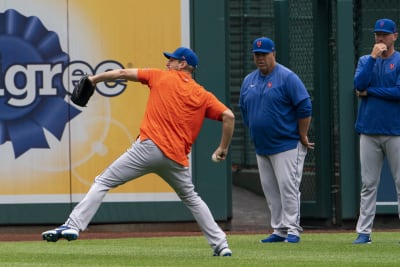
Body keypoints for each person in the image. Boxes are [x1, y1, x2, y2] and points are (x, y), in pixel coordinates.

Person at [41, 47, 235, 256]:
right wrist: (222, 148)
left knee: (103, 181)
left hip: (148, 148)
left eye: (172, 60)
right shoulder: (203, 95)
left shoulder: (160, 76)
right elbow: (229, 116)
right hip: (176, 159)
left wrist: (94, 79)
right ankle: (221, 245)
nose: (167, 63)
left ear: (183, 64)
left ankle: (72, 225)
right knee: (192, 198)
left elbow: (122, 73)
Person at [238, 37, 314, 243]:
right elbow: (244, 109)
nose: (260, 58)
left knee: (288, 187)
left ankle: (293, 229)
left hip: (287, 143)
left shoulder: (287, 77)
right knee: (271, 191)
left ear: (274, 54)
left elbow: (305, 106)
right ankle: (279, 229)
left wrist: (302, 134)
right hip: (262, 145)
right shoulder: (249, 80)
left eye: (264, 54)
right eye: (257, 54)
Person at [353, 18, 400, 244]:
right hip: (369, 130)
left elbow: (398, 92)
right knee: (368, 183)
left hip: (395, 130)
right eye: (377, 34)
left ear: (394, 36)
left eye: (385, 34)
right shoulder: (365, 60)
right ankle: (364, 232)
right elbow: (359, 85)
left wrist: (370, 92)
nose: (380, 38)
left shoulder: (399, 60)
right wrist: (372, 58)